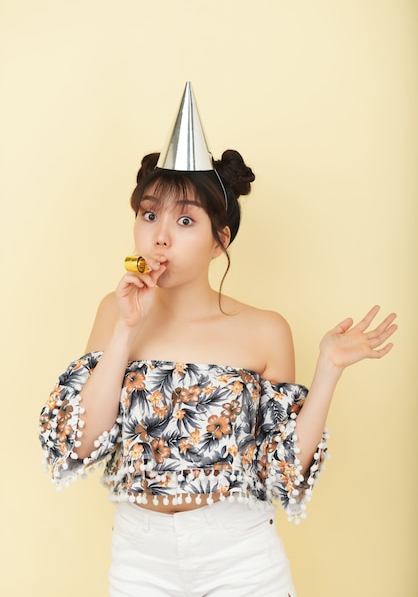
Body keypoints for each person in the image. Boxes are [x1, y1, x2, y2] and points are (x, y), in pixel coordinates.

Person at [39, 83, 397, 597]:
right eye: (149, 214)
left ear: (219, 240)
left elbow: (283, 472)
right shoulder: (113, 313)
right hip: (140, 558)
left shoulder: (265, 330)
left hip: (240, 555)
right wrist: (124, 331)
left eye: (185, 220)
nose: (160, 235)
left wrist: (328, 370)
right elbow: (79, 444)